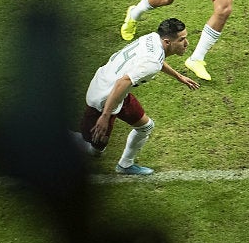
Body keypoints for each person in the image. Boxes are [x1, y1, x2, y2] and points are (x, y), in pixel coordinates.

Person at [76, 18, 199, 175]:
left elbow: (155, 60)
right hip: (103, 98)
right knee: (96, 150)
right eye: (182, 40)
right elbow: (124, 81)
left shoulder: (153, 38)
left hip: (115, 88)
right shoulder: (152, 63)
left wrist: (179, 77)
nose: (186, 44)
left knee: (146, 126)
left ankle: (125, 165)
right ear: (167, 42)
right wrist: (105, 116)